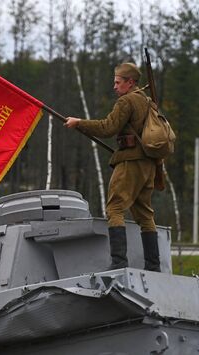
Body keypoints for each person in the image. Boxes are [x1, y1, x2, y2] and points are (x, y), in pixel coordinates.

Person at [64, 62, 160, 272]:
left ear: (130, 82)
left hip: (130, 162)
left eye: (118, 82)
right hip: (148, 164)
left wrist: (79, 122)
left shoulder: (126, 101)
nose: (114, 87)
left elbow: (108, 128)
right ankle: (154, 268)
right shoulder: (147, 101)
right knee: (145, 215)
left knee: (114, 208)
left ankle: (118, 263)